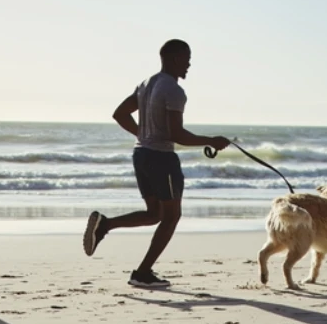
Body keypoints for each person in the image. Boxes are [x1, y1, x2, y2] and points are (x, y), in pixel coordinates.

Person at [82, 39, 230, 288]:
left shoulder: (146, 84)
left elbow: (119, 114)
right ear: (174, 58)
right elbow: (177, 135)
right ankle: (142, 272)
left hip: (141, 155)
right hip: (162, 159)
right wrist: (211, 141)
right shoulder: (174, 90)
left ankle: (105, 225)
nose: (189, 64)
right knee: (171, 217)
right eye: (186, 58)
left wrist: (142, 135)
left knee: (155, 214)